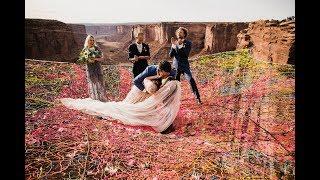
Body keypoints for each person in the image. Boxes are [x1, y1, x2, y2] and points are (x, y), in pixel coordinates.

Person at [60, 60, 181, 134]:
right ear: (159, 70)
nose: (164, 76)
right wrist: (146, 89)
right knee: (127, 107)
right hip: (139, 90)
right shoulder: (150, 69)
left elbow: (171, 80)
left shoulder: (170, 73)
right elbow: (136, 80)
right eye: (163, 74)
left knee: (140, 109)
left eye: (166, 75)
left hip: (150, 93)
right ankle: (105, 113)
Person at [169, 27, 202, 104]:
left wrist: (179, 45)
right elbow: (171, 55)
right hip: (176, 66)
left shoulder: (188, 43)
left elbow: (185, 54)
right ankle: (174, 100)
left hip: (185, 66)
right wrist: (173, 46)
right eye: (178, 32)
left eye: (181, 32)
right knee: (176, 84)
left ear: (184, 34)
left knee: (191, 80)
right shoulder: (175, 43)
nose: (179, 33)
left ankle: (197, 98)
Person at [81, 35, 107, 102]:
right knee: (93, 83)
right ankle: (95, 99)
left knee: (100, 83)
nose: (92, 41)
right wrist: (87, 59)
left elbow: (102, 58)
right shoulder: (85, 49)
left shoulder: (97, 48)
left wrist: (95, 58)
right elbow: (82, 59)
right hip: (90, 68)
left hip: (98, 68)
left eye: (93, 40)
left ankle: (102, 99)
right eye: (90, 40)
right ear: (87, 41)